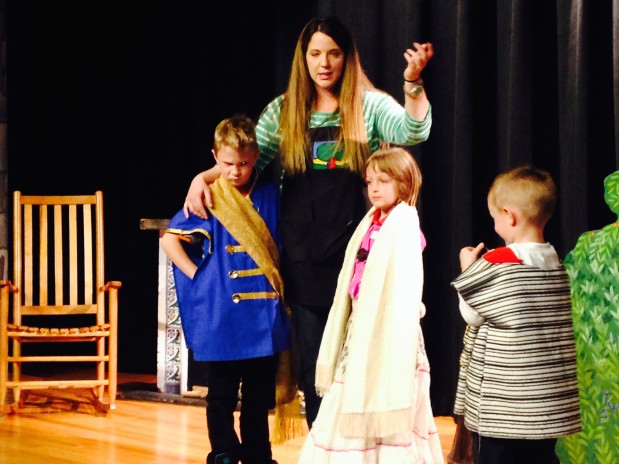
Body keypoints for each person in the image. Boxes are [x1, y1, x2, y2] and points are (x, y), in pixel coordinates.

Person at [183, 15, 434, 429]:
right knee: (317, 363)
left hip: (360, 259)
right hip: (304, 259)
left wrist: (413, 82)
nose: (324, 63)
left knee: (360, 360)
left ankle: (359, 444)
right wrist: (202, 178)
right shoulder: (282, 112)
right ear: (303, 59)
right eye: (315, 53)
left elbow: (414, 129)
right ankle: (322, 443)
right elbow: (243, 160)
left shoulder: (369, 106)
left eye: (333, 53)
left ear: (346, 57)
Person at [297, 147, 444, 463]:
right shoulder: (372, 222)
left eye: (383, 181)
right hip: (362, 325)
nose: (374, 188)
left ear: (404, 183)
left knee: (383, 393)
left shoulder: (403, 225)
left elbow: (405, 284)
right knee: (349, 393)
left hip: (389, 330)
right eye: (369, 182)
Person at [161, 115, 292, 464]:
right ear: (215, 157)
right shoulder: (208, 195)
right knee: (220, 393)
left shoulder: (269, 195)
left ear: (256, 157)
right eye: (228, 164)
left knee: (258, 395)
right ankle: (222, 451)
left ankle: (257, 453)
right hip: (223, 316)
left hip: (262, 315)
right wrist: (198, 276)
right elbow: (170, 240)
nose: (235, 171)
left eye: (244, 164)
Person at [451, 165, 582, 464]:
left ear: (509, 216)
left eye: (494, 217)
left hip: (505, 407)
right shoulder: (554, 261)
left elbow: (473, 315)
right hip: (545, 405)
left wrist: (468, 269)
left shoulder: (498, 261)